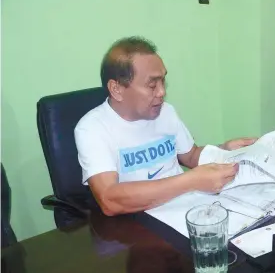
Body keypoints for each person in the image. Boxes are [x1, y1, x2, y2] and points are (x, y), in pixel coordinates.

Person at [75, 36, 256, 216]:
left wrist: (224, 150)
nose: (162, 92)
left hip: (186, 207)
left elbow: (191, 156)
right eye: (152, 85)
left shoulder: (165, 111)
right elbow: (109, 200)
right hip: (137, 222)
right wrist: (190, 181)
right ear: (117, 89)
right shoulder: (92, 128)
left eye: (163, 82)